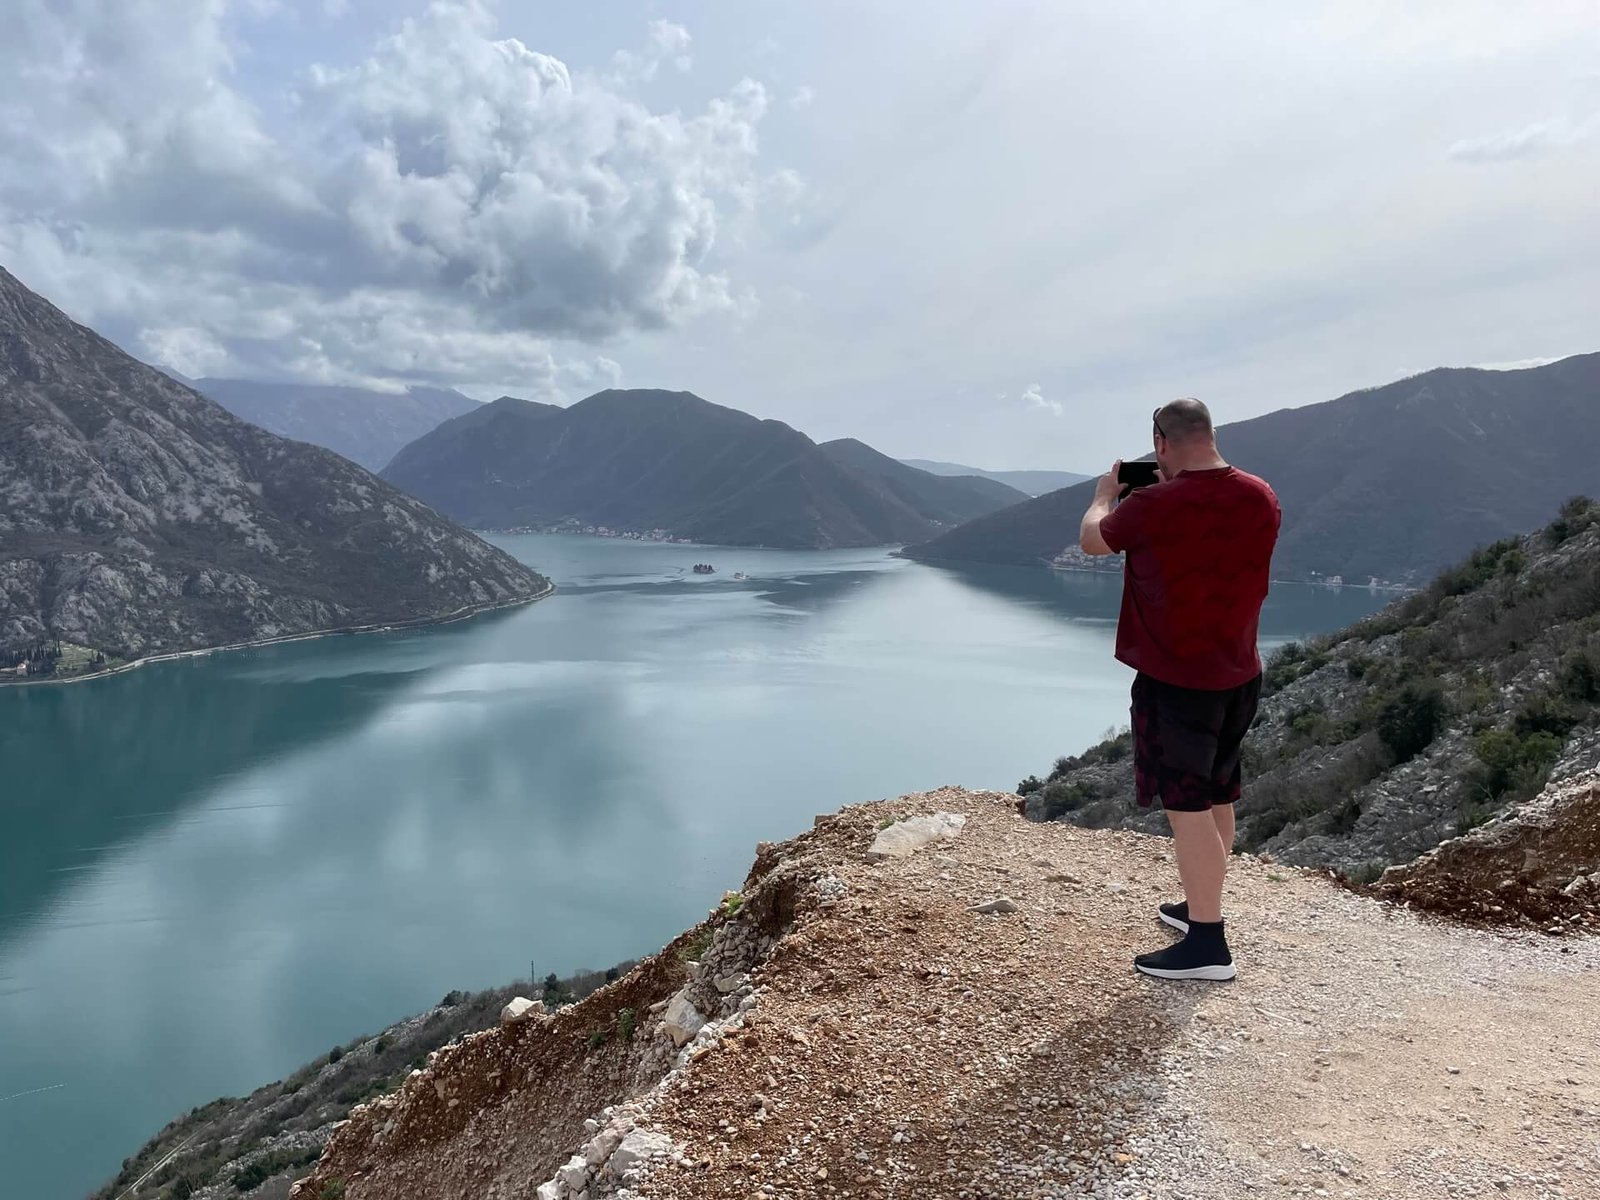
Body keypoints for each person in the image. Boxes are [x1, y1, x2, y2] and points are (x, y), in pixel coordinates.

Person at [1078, 398, 1281, 981]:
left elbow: (1095, 541)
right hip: (1239, 672)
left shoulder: (1152, 504)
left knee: (1186, 807)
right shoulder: (1259, 494)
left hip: (1177, 681)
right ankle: (1200, 912)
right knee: (1218, 795)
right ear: (1210, 434)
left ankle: (1208, 947)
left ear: (1160, 443)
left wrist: (1103, 496)